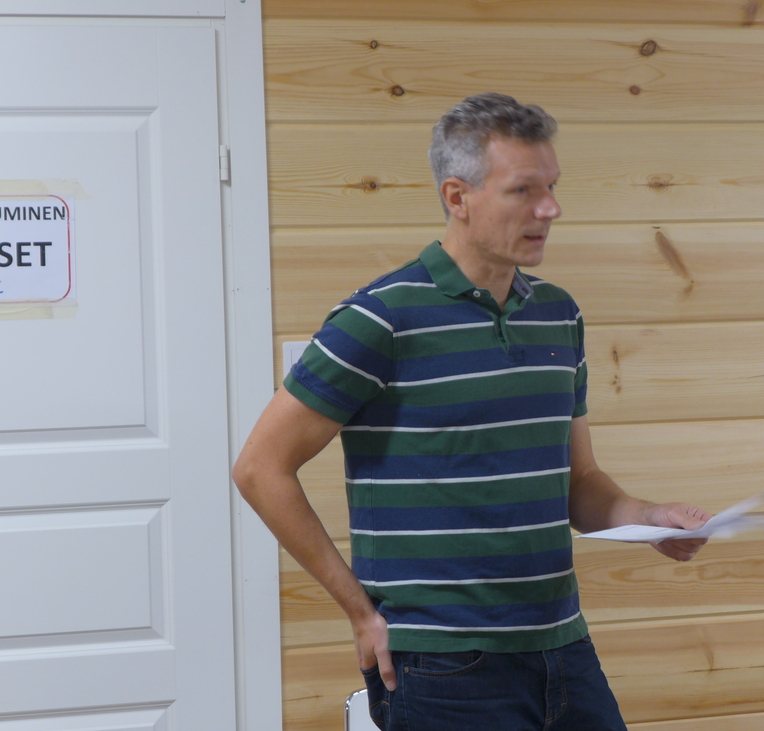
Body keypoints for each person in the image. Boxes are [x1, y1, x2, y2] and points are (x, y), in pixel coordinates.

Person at [232, 92, 713, 730]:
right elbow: (259, 468)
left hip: (562, 648)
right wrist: (358, 611)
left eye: (552, 187)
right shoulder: (380, 318)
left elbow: (581, 483)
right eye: (524, 190)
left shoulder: (559, 314)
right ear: (457, 197)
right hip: (441, 668)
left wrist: (650, 519)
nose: (550, 208)